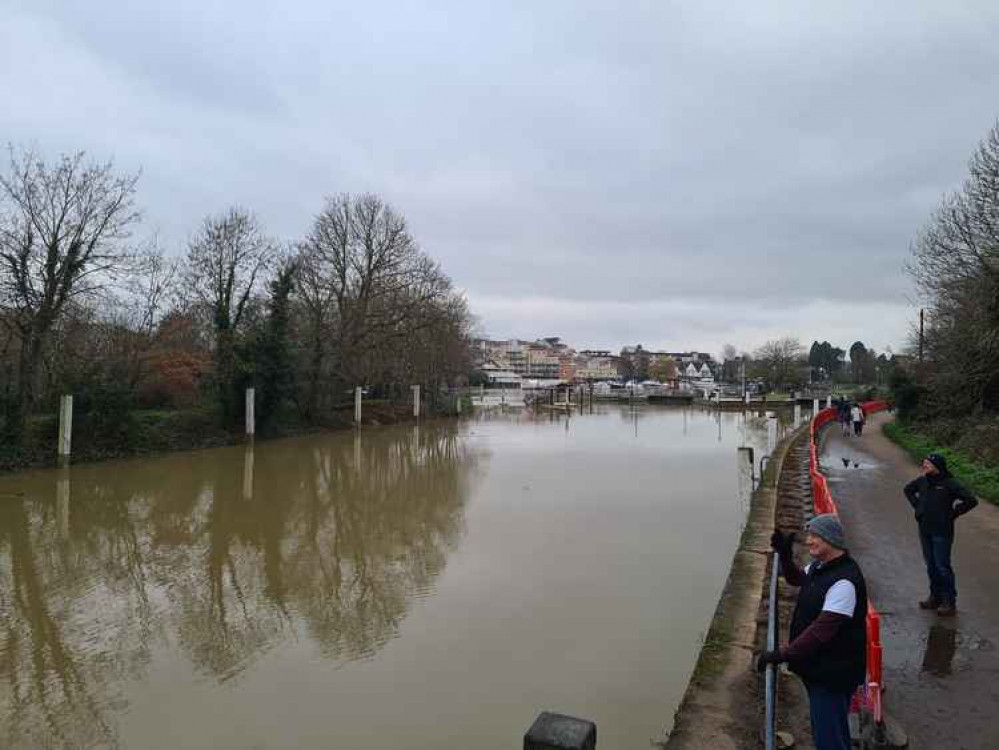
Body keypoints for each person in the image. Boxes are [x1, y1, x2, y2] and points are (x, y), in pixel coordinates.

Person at [759, 515, 867, 750]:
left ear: (831, 539)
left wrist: (781, 654)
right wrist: (786, 557)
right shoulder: (821, 567)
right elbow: (797, 578)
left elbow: (821, 632)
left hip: (832, 674)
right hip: (819, 669)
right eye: (809, 536)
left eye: (815, 536)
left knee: (830, 740)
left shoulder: (844, 582)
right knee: (830, 731)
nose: (809, 541)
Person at [904, 453, 978, 616]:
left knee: (942, 567)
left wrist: (953, 513)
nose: (924, 465)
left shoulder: (949, 483)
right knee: (931, 566)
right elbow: (908, 490)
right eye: (924, 463)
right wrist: (918, 508)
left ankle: (949, 602)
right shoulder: (923, 481)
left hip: (942, 531)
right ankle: (935, 597)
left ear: (937, 466)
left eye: (927, 463)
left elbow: (971, 500)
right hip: (925, 529)